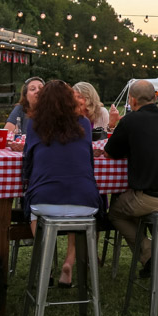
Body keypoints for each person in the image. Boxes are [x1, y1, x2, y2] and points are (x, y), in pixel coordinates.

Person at [104, 80, 158, 279]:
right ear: (155, 98)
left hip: (150, 198)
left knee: (117, 212)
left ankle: (149, 255)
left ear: (132, 101)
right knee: (145, 209)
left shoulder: (129, 121)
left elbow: (110, 153)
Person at [23, 80, 102, 287]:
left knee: (32, 208)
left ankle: (45, 264)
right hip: (85, 201)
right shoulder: (83, 123)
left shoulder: (34, 124)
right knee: (77, 207)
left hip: (45, 199)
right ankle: (69, 263)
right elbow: (89, 162)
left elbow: (28, 162)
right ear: (70, 100)